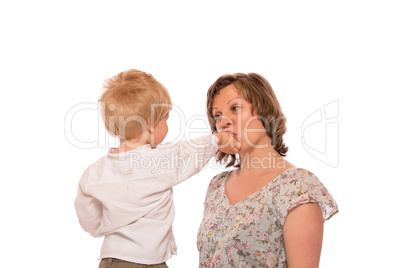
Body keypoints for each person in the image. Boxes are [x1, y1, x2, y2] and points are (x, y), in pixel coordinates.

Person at [74, 69, 240, 268]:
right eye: (166, 119)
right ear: (151, 124)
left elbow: (87, 215)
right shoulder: (157, 161)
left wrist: (103, 226)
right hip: (147, 262)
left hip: (111, 259)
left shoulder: (94, 173)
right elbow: (187, 153)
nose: (167, 125)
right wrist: (218, 140)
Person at [197, 73, 338, 267]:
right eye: (217, 115)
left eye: (235, 108)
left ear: (264, 111)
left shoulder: (298, 187)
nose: (223, 122)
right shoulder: (217, 185)